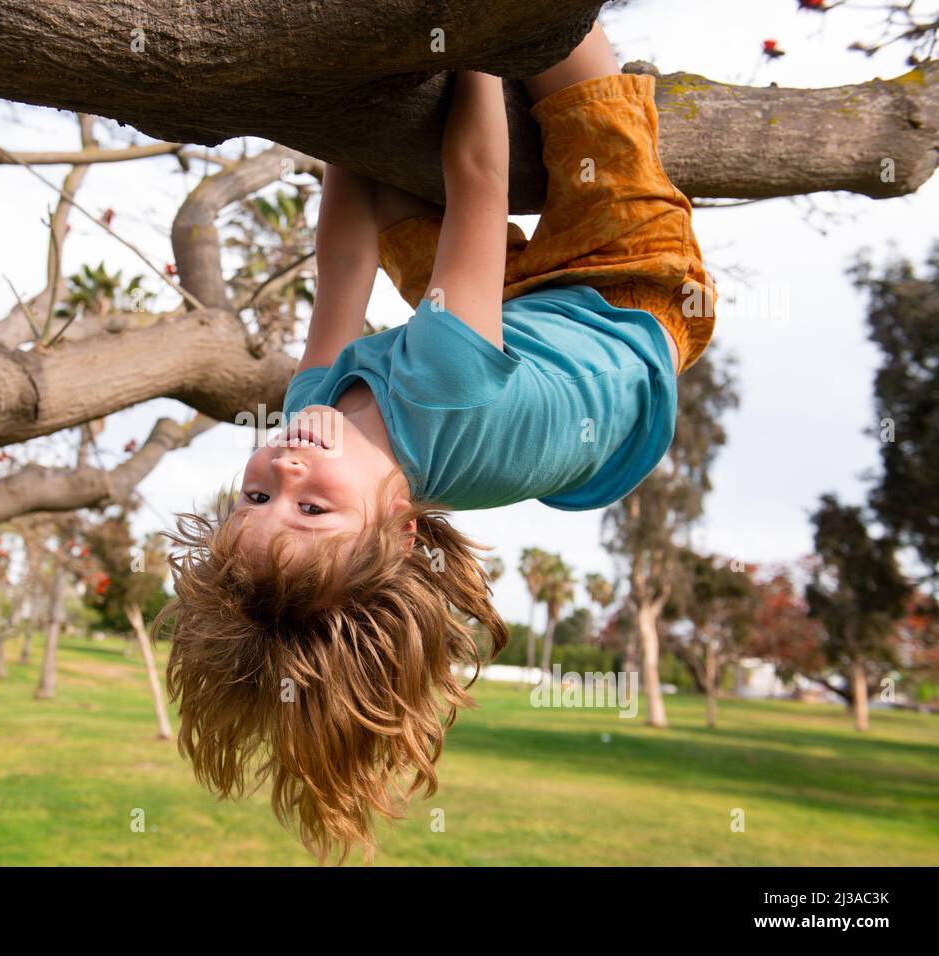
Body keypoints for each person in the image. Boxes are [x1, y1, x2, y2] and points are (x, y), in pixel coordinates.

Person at [155, 21, 716, 864]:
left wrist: (337, 130)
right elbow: (480, 178)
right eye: (311, 506)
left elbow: (343, 263)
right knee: (589, 104)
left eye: (256, 497)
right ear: (404, 524)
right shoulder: (440, 379)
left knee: (389, 184)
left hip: (519, 325)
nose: (285, 467)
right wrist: (483, 42)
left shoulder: (314, 407)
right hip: (636, 299)